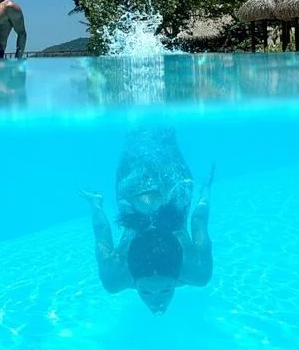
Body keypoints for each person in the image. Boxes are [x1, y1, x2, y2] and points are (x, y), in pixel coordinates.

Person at [81, 127, 213, 315]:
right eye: (146, 291)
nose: (157, 301)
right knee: (167, 142)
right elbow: (198, 220)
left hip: (132, 197)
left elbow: (101, 232)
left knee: (133, 149)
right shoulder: (199, 272)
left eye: (166, 290)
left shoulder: (113, 277)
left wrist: (95, 204)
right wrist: (205, 191)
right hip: (174, 201)